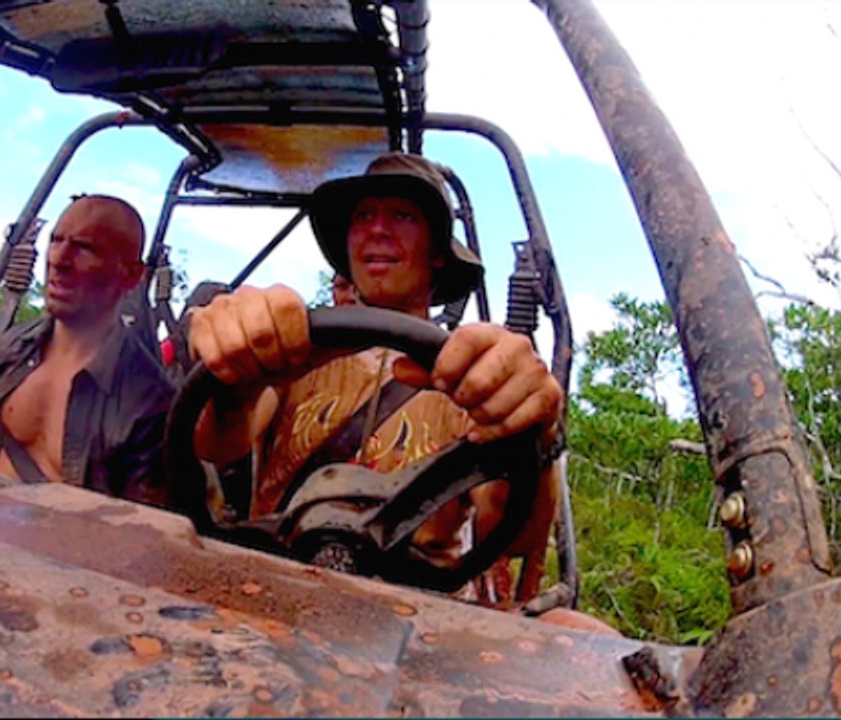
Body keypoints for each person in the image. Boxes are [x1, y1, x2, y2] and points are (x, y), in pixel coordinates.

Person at [188, 153, 567, 610]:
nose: (377, 230)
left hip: (415, 616)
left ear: (439, 253)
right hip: (272, 594)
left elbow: (513, 537)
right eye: (363, 215)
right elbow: (217, 442)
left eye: (402, 216)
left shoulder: (475, 376)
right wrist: (234, 373)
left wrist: (535, 437)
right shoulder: (291, 351)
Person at [0, 195, 174, 507]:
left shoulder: (149, 403)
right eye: (56, 241)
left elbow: (140, 534)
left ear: (130, 275)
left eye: (84, 248)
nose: (59, 259)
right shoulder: (11, 349)